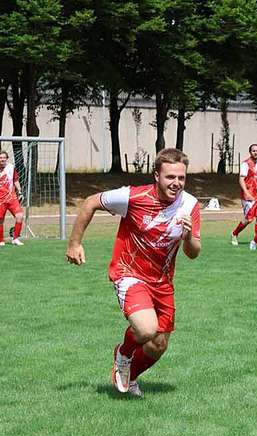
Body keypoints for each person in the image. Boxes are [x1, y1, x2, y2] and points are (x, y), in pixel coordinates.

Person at [65, 148, 202, 398]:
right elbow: (91, 202)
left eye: (181, 178)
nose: (176, 183)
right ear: (156, 176)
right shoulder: (133, 197)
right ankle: (123, 352)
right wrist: (74, 243)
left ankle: (131, 375)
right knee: (146, 330)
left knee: (158, 344)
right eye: (170, 177)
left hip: (162, 282)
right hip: (129, 273)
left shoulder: (190, 205)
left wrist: (188, 236)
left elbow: (193, 253)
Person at [230, 144, 257, 245]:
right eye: (253, 151)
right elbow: (241, 180)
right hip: (249, 195)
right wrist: (246, 193)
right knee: (249, 219)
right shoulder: (245, 164)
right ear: (250, 152)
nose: (255, 152)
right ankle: (234, 234)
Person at [0, 150, 24, 246]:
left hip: (11, 198)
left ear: (7, 159)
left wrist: (20, 191)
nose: (2, 159)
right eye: (0, 158)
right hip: (0, 200)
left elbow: (16, 180)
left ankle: (15, 238)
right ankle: (1, 240)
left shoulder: (11, 168)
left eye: (4, 158)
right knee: (0, 220)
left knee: (20, 216)